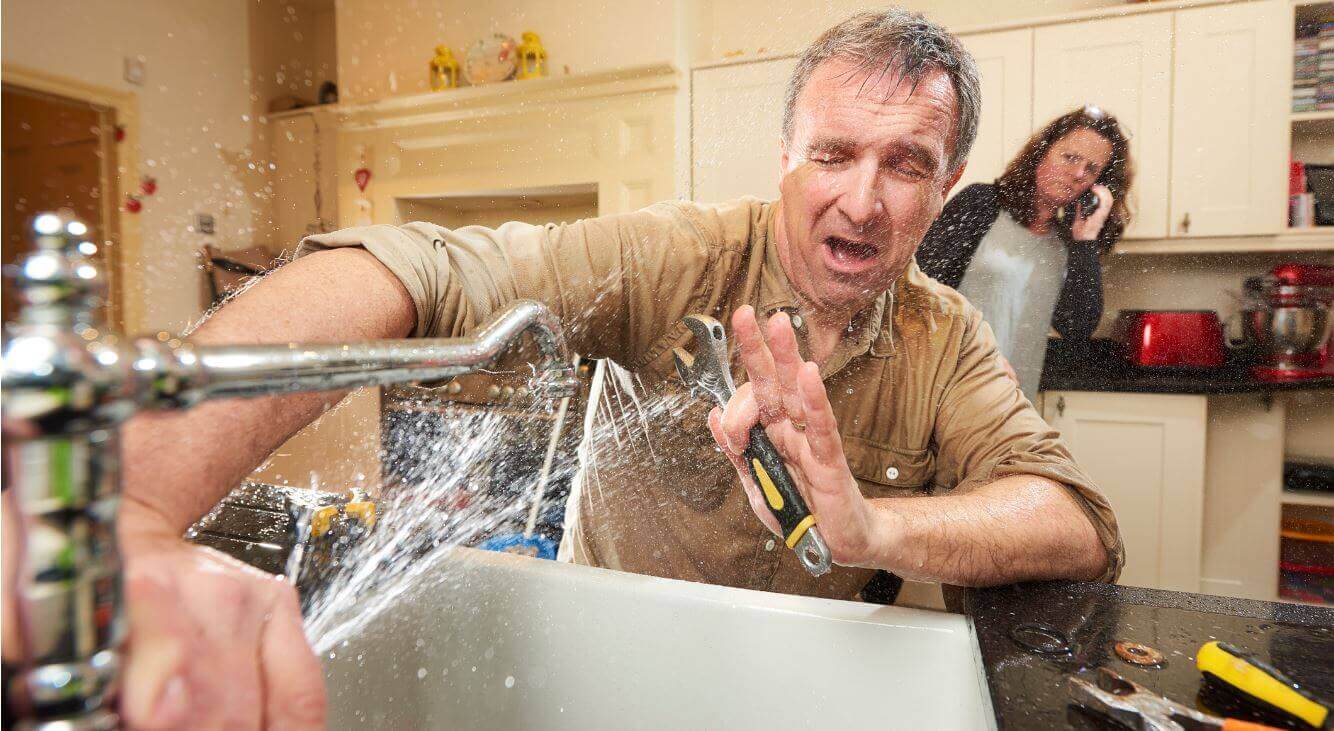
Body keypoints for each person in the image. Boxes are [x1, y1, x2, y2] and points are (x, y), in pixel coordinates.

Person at [109, 10, 1123, 728]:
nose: (860, 201)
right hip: (598, 669)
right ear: (784, 154)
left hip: (800, 684)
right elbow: (414, 269)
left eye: (904, 165)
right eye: (831, 153)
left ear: (945, 185)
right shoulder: (680, 256)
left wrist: (874, 523)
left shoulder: (940, 335)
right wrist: (136, 506)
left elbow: (1073, 518)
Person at [916, 106, 1135, 401]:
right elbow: (920, 292)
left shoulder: (1066, 243)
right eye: (1070, 158)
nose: (1078, 174)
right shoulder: (981, 203)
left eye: (1092, 169)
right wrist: (978, 358)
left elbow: (1077, 327)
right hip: (945, 392)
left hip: (1016, 402)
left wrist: (1085, 241)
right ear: (1042, 152)